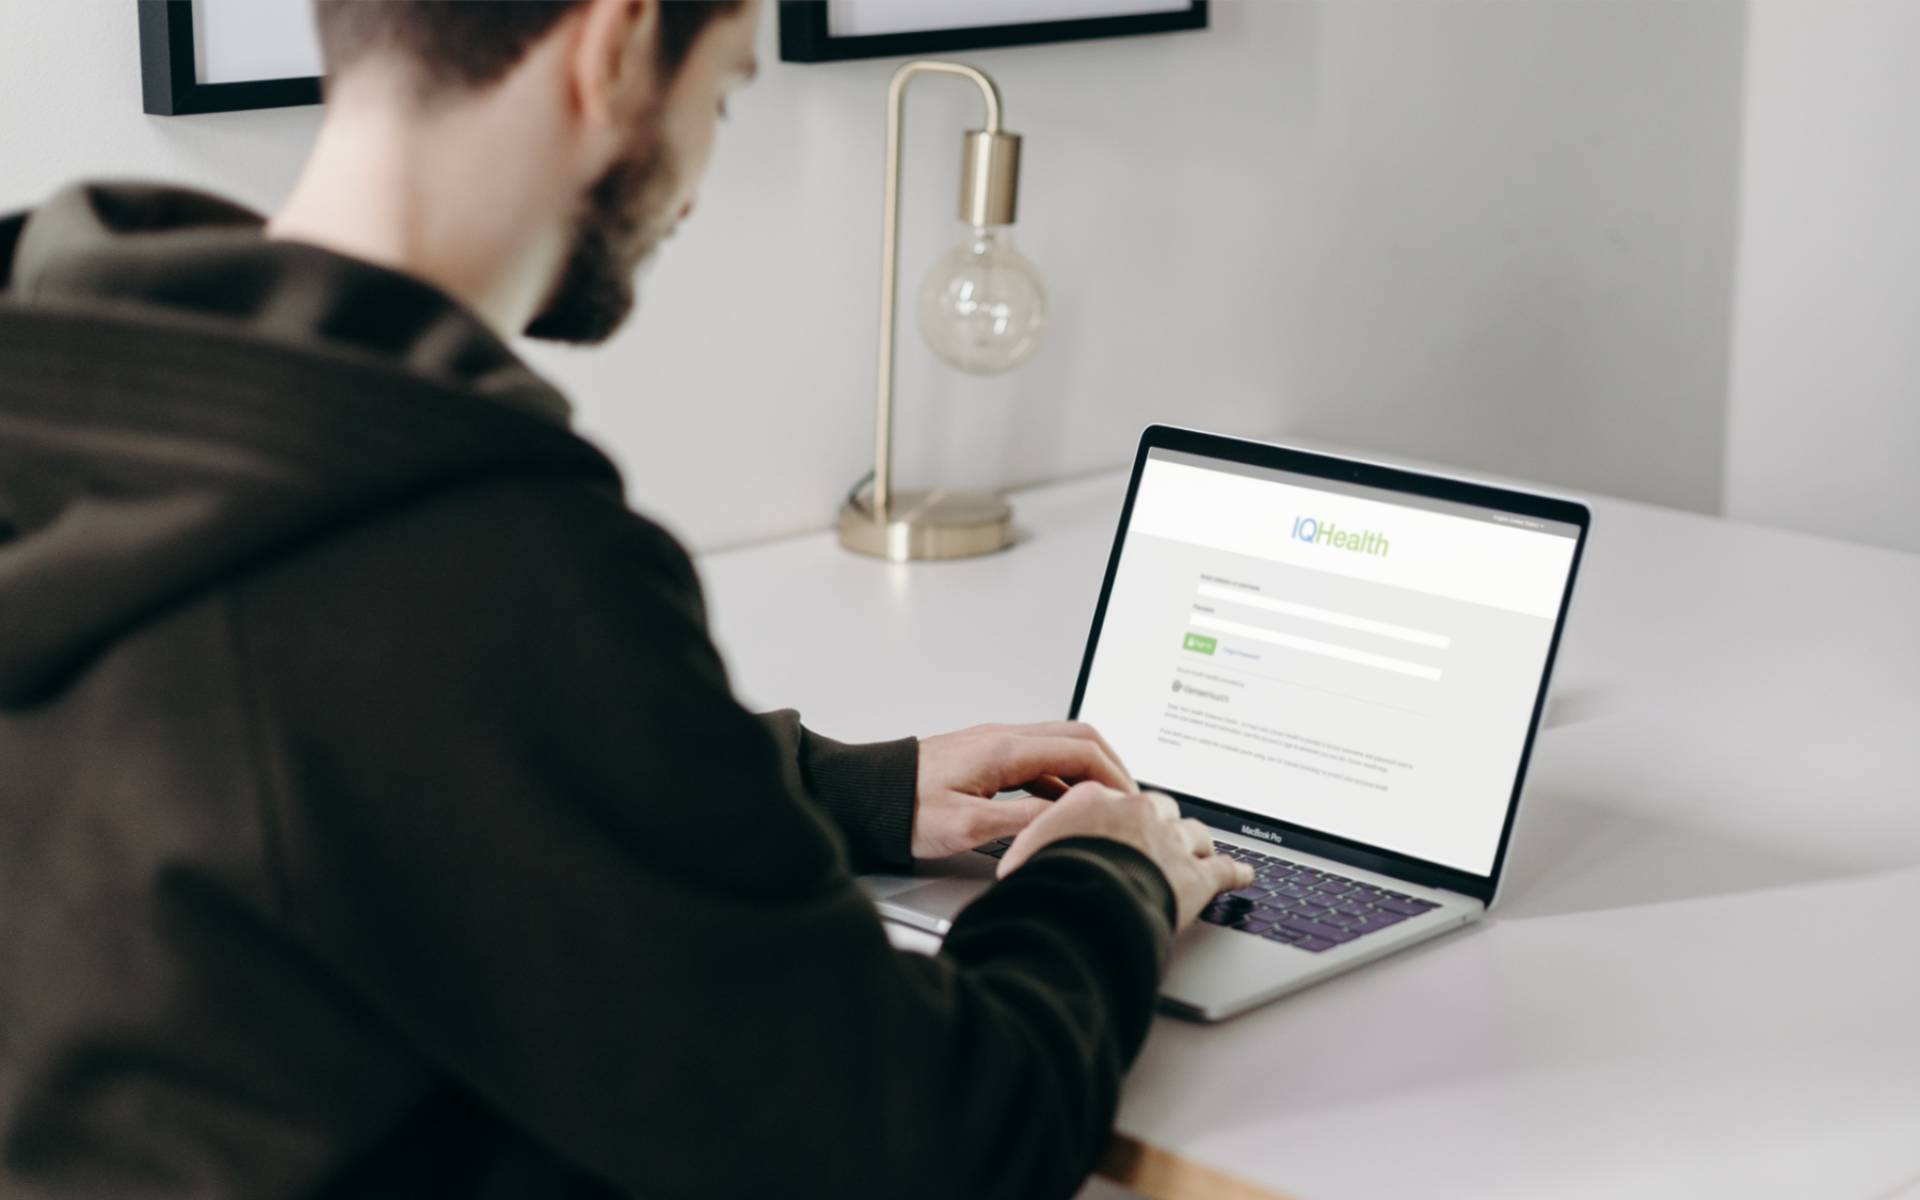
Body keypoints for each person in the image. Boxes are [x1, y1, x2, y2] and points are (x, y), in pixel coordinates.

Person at [0, 1, 1251, 1196]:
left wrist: (837, 789)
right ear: (617, 42)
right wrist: (1105, 876)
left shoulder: (97, 396)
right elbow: (930, 1143)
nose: (700, 179)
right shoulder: (480, 562)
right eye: (721, 91)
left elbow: (288, 754)